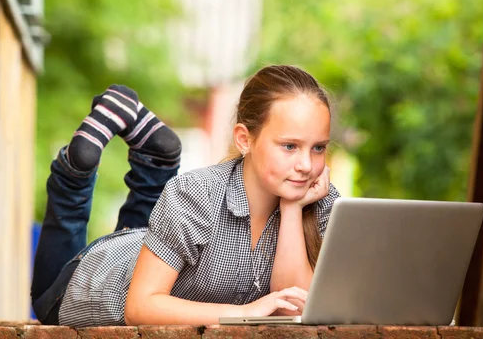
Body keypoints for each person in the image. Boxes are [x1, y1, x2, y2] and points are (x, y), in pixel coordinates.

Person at [30, 65, 340, 327]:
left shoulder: (316, 196)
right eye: (289, 146)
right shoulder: (196, 193)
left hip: (147, 245)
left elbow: (294, 308)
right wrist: (242, 314)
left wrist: (292, 209)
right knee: (46, 297)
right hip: (90, 284)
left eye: (318, 148)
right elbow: (139, 307)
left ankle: (159, 159)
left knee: (151, 229)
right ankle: (74, 173)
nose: (305, 165)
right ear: (245, 139)